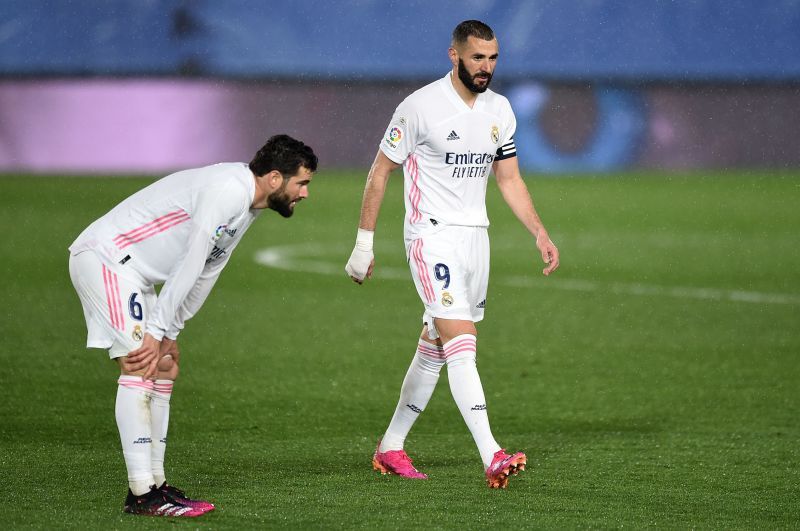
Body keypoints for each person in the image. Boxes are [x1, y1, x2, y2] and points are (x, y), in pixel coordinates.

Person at [345, 20, 559, 489]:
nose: (487, 67)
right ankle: (492, 453)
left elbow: (508, 178)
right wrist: (364, 243)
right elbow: (379, 173)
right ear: (454, 56)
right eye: (478, 57)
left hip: (474, 239)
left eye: (494, 58)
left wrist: (539, 231)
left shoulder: (501, 110)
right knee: (462, 343)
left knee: (436, 348)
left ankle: (390, 447)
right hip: (430, 236)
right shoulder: (419, 107)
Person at [69, 134, 317, 516]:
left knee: (164, 364)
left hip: (135, 274)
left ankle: (156, 484)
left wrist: (170, 332)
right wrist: (153, 333)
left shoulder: (248, 207)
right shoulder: (226, 190)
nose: (304, 193)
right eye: (301, 182)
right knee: (140, 363)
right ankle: (141, 494)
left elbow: (207, 270)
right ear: (273, 178)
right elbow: (191, 259)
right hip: (106, 260)